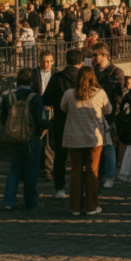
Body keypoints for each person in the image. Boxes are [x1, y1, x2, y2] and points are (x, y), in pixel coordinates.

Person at [60, 66, 112, 216]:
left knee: (75, 172)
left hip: (74, 138)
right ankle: (91, 206)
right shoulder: (100, 93)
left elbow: (62, 108)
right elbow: (108, 110)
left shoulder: (69, 94)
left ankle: (74, 207)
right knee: (92, 172)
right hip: (93, 138)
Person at [2, 68, 49, 211]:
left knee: (14, 169)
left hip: (13, 138)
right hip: (31, 138)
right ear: (32, 81)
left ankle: (9, 201)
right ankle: (31, 202)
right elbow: (42, 120)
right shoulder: (35, 98)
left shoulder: (8, 97)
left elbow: (4, 118)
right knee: (31, 170)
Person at [43, 48, 85, 199]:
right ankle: (80, 187)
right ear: (81, 63)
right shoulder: (84, 78)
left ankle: (60, 188)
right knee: (80, 156)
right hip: (81, 121)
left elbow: (46, 99)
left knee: (60, 156)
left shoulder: (57, 77)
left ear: (66, 61)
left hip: (61, 120)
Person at [91, 43, 125, 189]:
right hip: (93, 111)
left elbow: (119, 95)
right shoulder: (92, 71)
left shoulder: (116, 72)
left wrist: (114, 114)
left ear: (105, 56)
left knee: (109, 146)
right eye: (93, 55)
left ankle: (109, 176)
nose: (93, 58)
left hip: (109, 112)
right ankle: (98, 173)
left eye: (95, 55)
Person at [32, 51, 55, 181]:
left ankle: (48, 169)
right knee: (36, 139)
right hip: (37, 109)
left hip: (51, 111)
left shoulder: (56, 74)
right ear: (39, 61)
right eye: (44, 61)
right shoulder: (33, 74)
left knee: (49, 141)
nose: (46, 64)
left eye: (49, 61)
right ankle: (36, 168)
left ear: (52, 62)